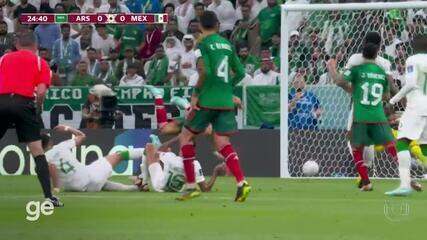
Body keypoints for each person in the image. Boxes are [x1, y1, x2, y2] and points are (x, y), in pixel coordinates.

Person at [177, 11, 250, 202]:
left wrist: (194, 95)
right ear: (218, 25)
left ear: (200, 26)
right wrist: (226, 89)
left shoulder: (201, 44)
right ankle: (241, 182)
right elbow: (241, 72)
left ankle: (191, 186)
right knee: (222, 143)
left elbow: (204, 71)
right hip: (225, 102)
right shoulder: (227, 45)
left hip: (207, 100)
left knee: (185, 136)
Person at [327, 32, 398, 191]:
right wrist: (399, 103)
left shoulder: (355, 59)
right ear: (380, 46)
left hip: (359, 107)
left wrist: (332, 68)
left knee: (353, 141)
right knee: (383, 143)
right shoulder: (384, 63)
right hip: (377, 109)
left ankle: (365, 176)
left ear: (364, 42)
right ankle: (370, 172)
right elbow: (390, 89)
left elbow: (341, 82)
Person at [0, 32, 63, 207]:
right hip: (24, 103)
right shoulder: (40, 62)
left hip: (2, 101)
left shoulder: (4, 59)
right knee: (37, 150)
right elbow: (41, 91)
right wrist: (39, 107)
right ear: (36, 46)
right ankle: (49, 197)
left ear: (17, 44)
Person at [43, 124, 144, 192]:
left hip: (75, 187)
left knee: (103, 183)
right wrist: (67, 128)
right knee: (119, 155)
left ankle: (134, 188)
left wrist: (56, 187)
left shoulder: (43, 158)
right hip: (89, 178)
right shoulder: (62, 146)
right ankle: (146, 151)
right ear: (50, 142)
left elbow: (50, 169)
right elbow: (82, 136)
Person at [385, 34, 427, 196]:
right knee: (424, 147)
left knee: (402, 142)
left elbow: (410, 84)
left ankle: (404, 185)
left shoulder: (413, 59)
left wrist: (393, 101)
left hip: (416, 106)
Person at [139, 135, 225, 192]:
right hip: (175, 190)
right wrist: (215, 172)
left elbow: (158, 150)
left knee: (149, 147)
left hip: (159, 186)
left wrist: (178, 137)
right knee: (163, 151)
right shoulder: (195, 164)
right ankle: (141, 180)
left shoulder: (170, 157)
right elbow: (205, 189)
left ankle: (143, 182)